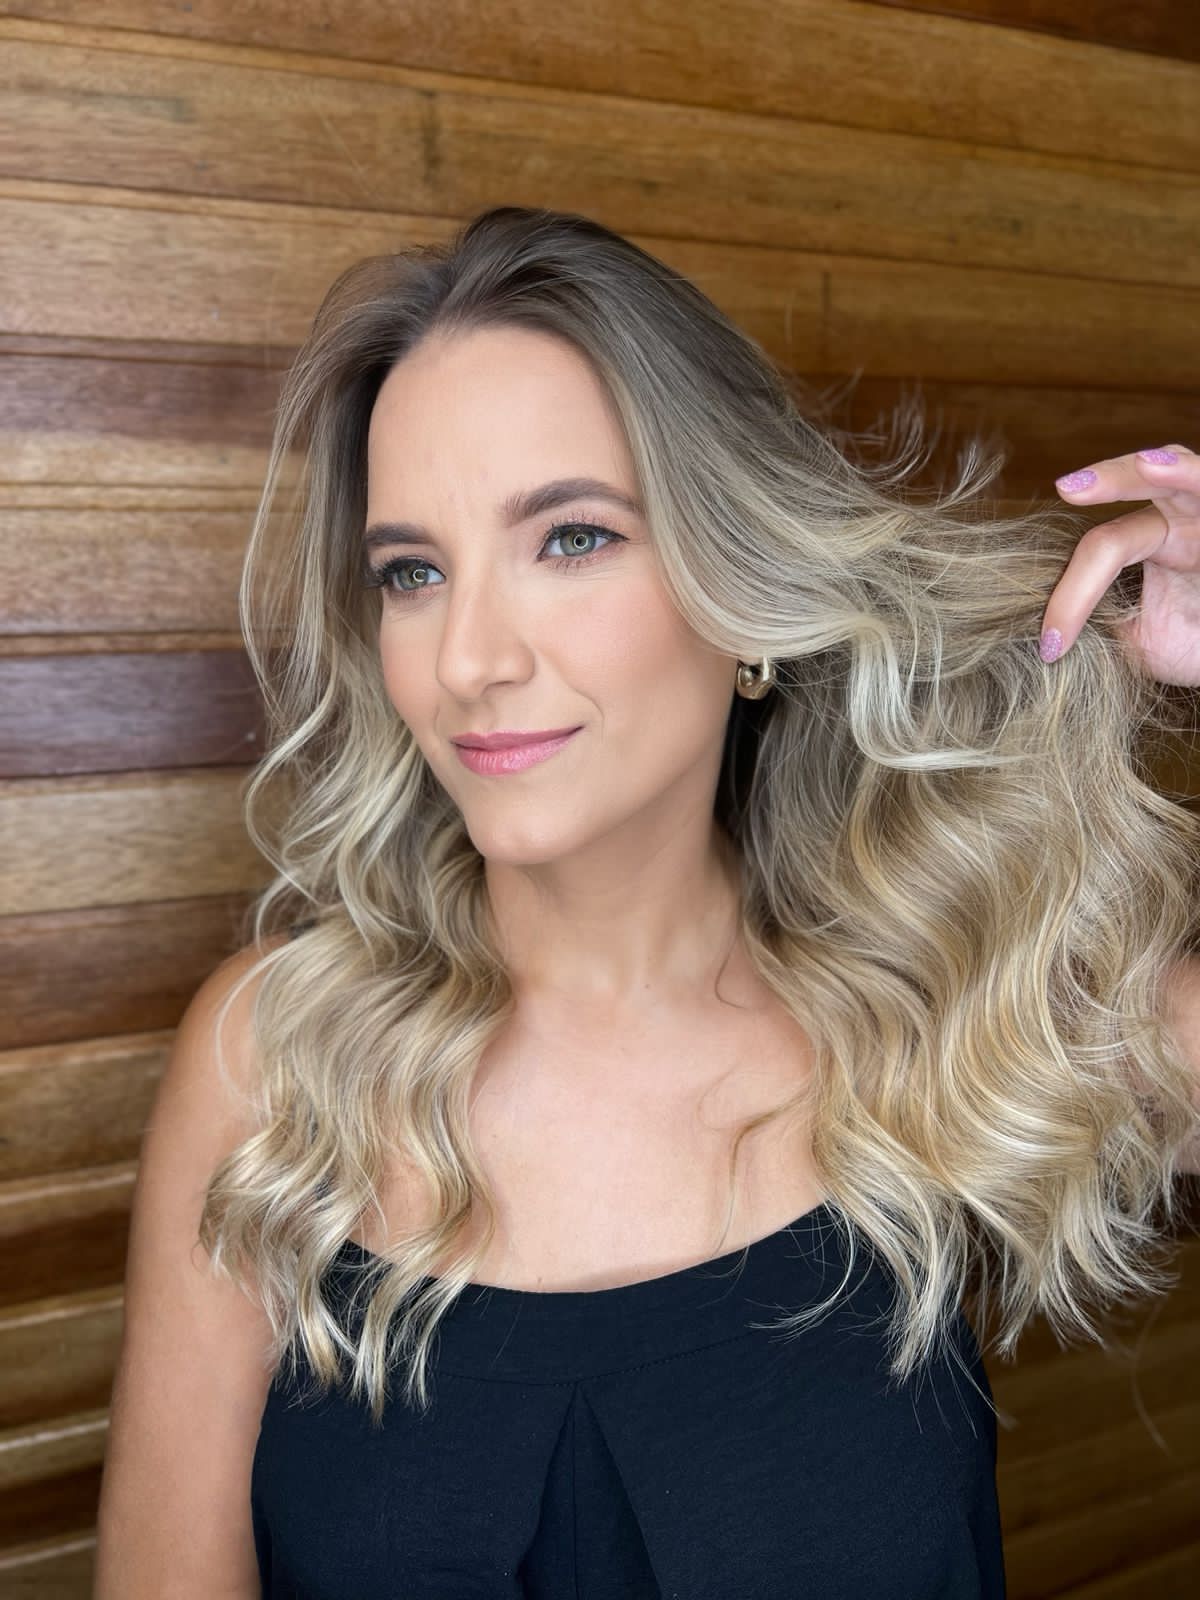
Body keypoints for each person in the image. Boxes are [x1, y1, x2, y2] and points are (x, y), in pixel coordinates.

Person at [94, 206, 1200, 1598]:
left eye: (570, 538)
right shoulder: (272, 1057)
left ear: (741, 590)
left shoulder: (956, 997)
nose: (470, 660)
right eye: (413, 573)